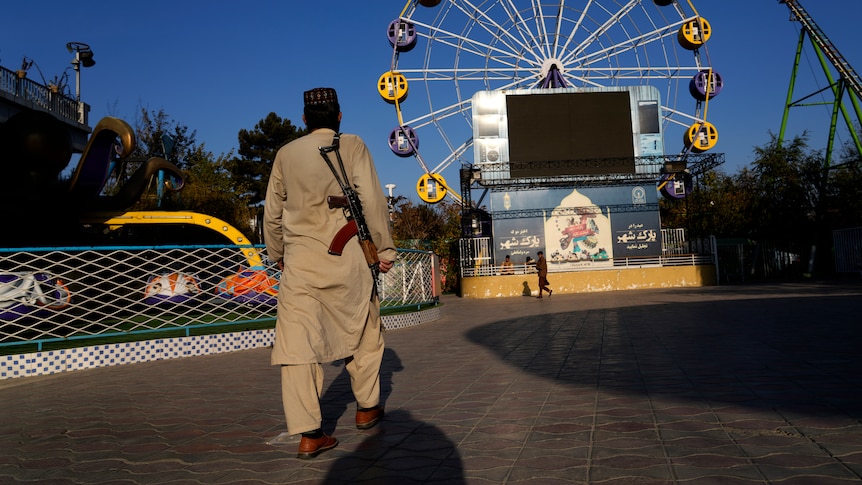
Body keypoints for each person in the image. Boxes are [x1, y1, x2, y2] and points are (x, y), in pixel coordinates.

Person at [263, 87, 398, 459]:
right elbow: (371, 199)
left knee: (297, 347)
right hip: (348, 258)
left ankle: (309, 433)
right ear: (339, 116)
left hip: (301, 265)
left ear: (304, 119)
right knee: (364, 330)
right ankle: (367, 408)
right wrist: (384, 250)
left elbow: (271, 213)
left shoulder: (285, 154)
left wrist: (278, 255)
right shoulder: (352, 145)